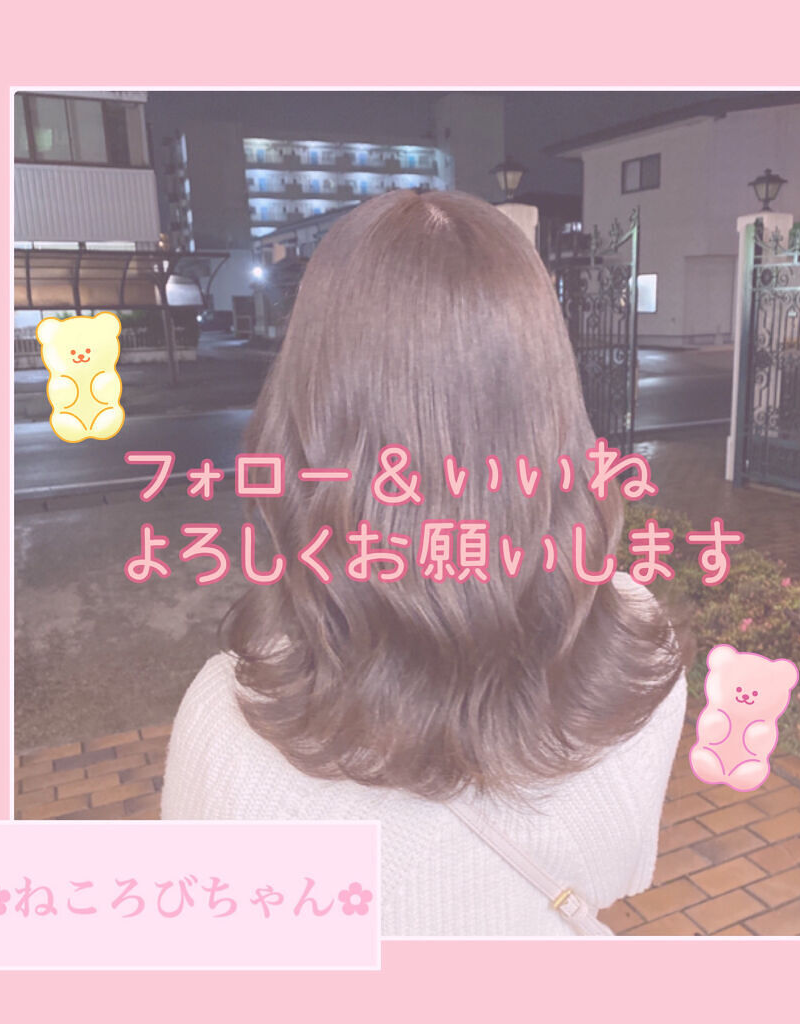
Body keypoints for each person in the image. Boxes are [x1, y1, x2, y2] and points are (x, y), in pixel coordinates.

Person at [161, 188, 687, 936]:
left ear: (304, 415)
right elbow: (622, 872)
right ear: (551, 405)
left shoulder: (231, 725)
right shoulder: (635, 644)